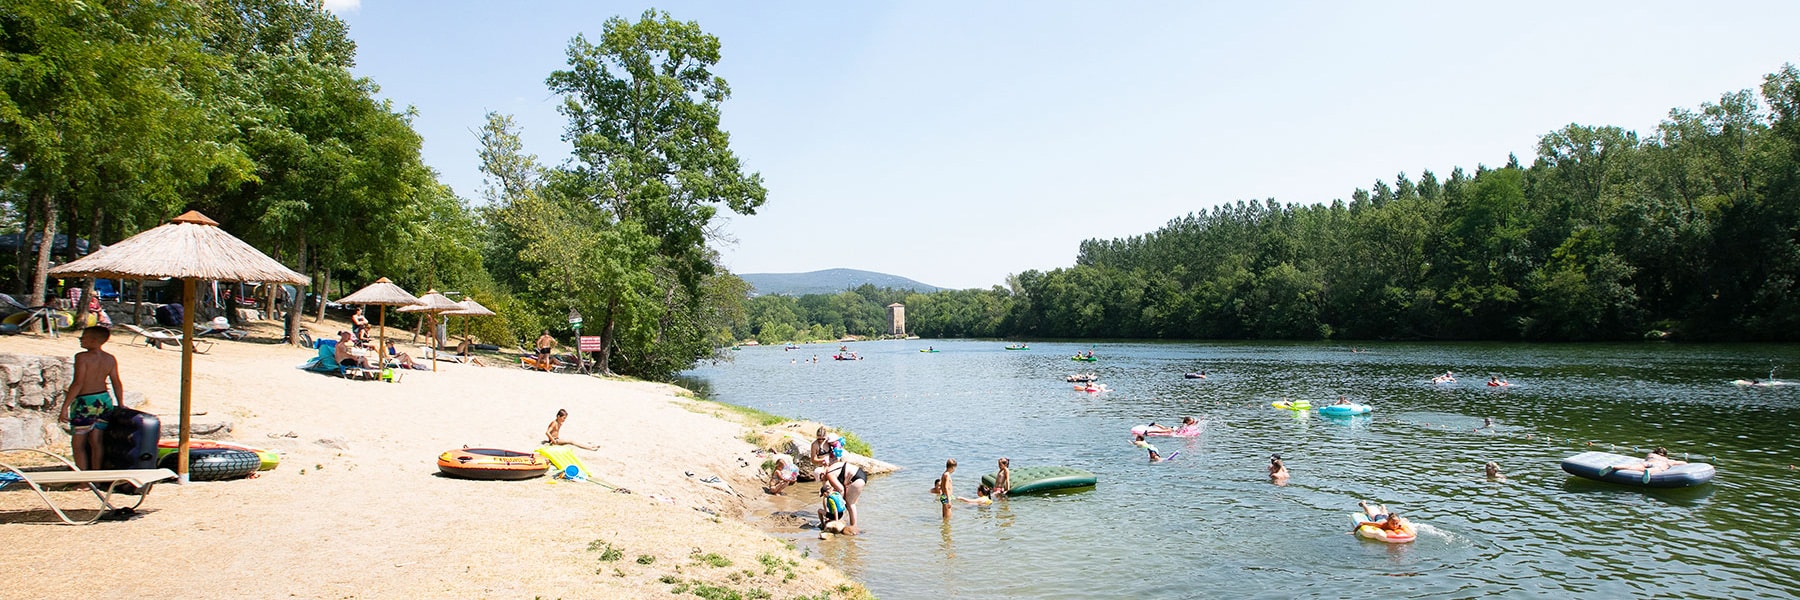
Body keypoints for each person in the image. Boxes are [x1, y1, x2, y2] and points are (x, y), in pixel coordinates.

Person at [59, 327, 123, 470]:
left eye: (83, 337)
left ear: (94, 340)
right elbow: (116, 382)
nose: (80, 339)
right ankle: (96, 477)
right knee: (96, 441)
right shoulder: (110, 358)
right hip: (104, 400)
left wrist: (65, 406)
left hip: (85, 402)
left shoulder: (82, 357)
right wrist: (121, 403)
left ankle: (83, 481)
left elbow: (78, 383)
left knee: (78, 443)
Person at [824, 448, 868, 533]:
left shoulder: (829, 474)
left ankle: (853, 527)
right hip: (860, 474)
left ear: (822, 474)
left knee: (850, 504)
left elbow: (841, 490)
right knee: (850, 502)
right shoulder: (833, 466)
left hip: (856, 479)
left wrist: (839, 503)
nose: (823, 480)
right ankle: (850, 523)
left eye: (821, 478)